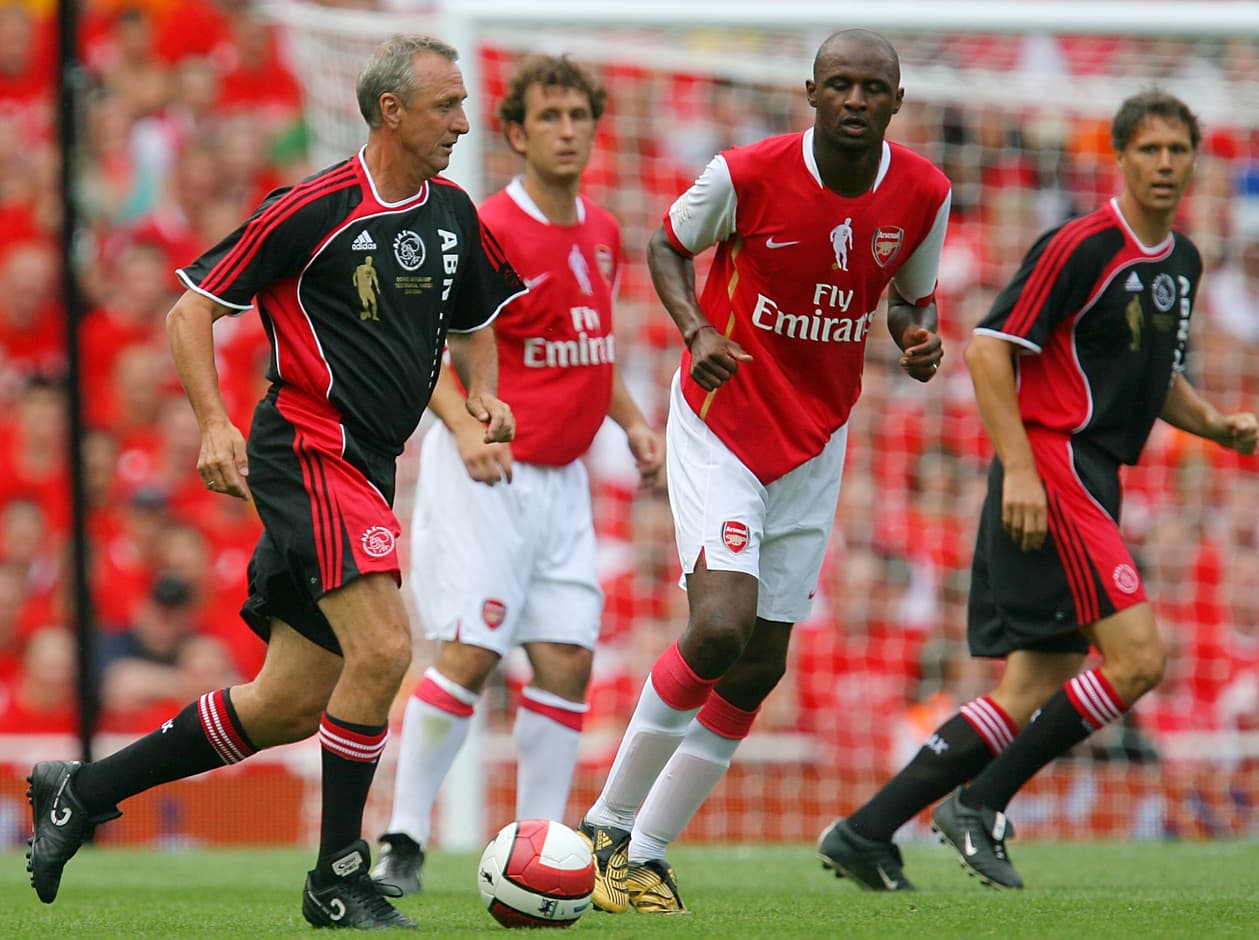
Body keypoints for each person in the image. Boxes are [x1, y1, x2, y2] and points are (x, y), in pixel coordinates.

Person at [25, 34, 524, 929]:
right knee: (381, 650)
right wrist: (214, 422)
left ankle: (81, 791)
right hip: (306, 449)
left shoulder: (452, 212)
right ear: (391, 112)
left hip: (370, 463)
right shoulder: (314, 205)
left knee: (289, 703)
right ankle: (339, 876)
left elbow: (475, 315)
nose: (463, 119)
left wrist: (482, 394)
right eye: (447, 105)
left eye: (462, 102)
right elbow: (191, 309)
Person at [818, 89, 1259, 892]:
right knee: (1138, 660)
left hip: (1094, 472)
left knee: (1034, 683)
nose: (1164, 164)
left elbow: (1156, 380)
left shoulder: (1184, 263)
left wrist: (1215, 426)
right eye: (1149, 149)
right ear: (1120, 157)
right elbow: (990, 350)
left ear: (1194, 161)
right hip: (1054, 463)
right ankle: (979, 806)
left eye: (1178, 151)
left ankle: (865, 830)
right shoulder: (1083, 245)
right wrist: (1020, 468)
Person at [576, 28, 951, 914]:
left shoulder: (925, 192)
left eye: (873, 88)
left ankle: (649, 854)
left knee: (758, 667)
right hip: (723, 422)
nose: (856, 100)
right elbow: (667, 245)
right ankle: (606, 825)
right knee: (719, 630)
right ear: (810, 93)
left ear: (896, 103)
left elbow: (912, 297)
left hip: (817, 441)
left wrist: (917, 339)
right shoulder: (745, 173)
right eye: (840, 85)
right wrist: (697, 330)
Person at [369, 53, 663, 895]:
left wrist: (637, 427)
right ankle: (402, 838)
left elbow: (589, 354)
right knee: (470, 655)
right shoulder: (484, 226)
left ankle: (545, 848)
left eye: (580, 116)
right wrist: (465, 430)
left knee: (567, 659)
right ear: (516, 131)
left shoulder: (603, 234)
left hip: (564, 484)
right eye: (551, 116)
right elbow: (426, 348)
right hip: (487, 476)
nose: (568, 130)